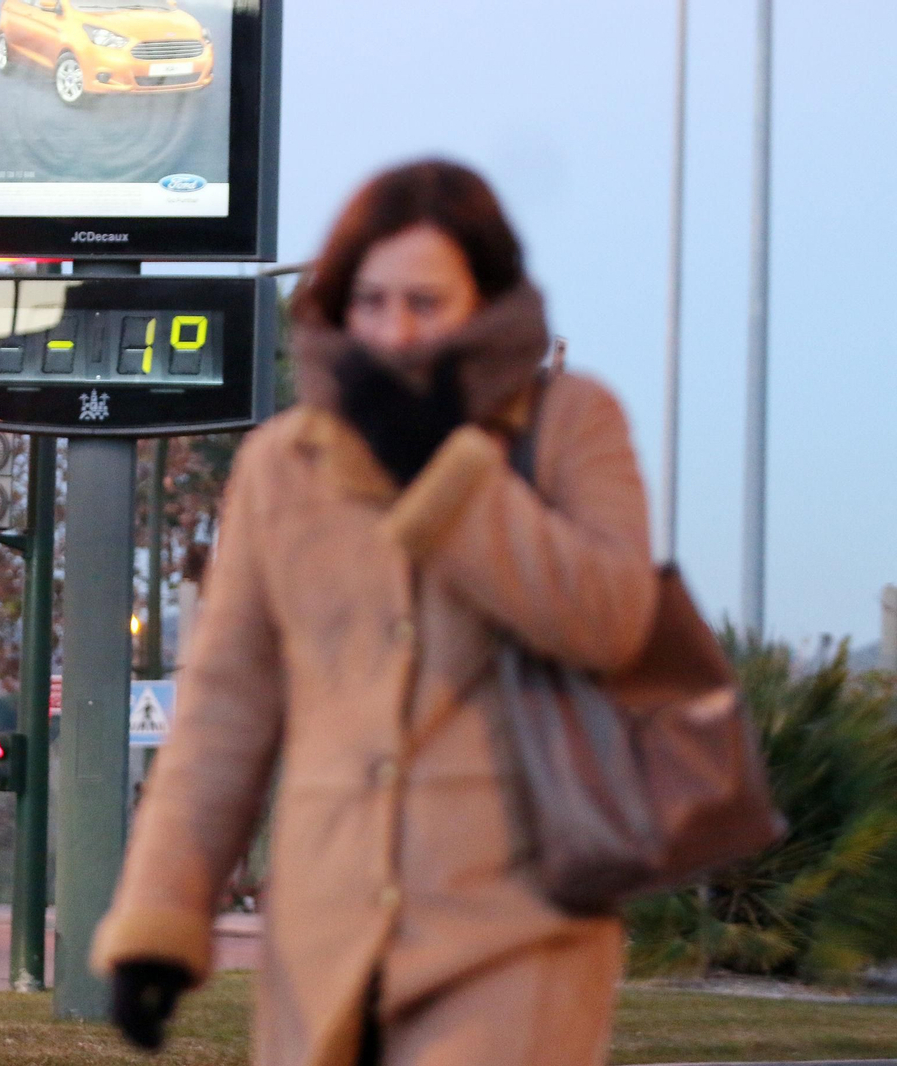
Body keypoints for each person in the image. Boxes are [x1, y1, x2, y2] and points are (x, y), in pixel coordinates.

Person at [91, 160, 658, 1066]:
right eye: (373, 300)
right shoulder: (285, 464)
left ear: (486, 301)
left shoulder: (570, 425)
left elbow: (611, 620)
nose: (397, 331)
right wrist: (163, 918)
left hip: (514, 933)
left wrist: (444, 473)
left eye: (427, 302)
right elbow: (223, 715)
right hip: (324, 937)